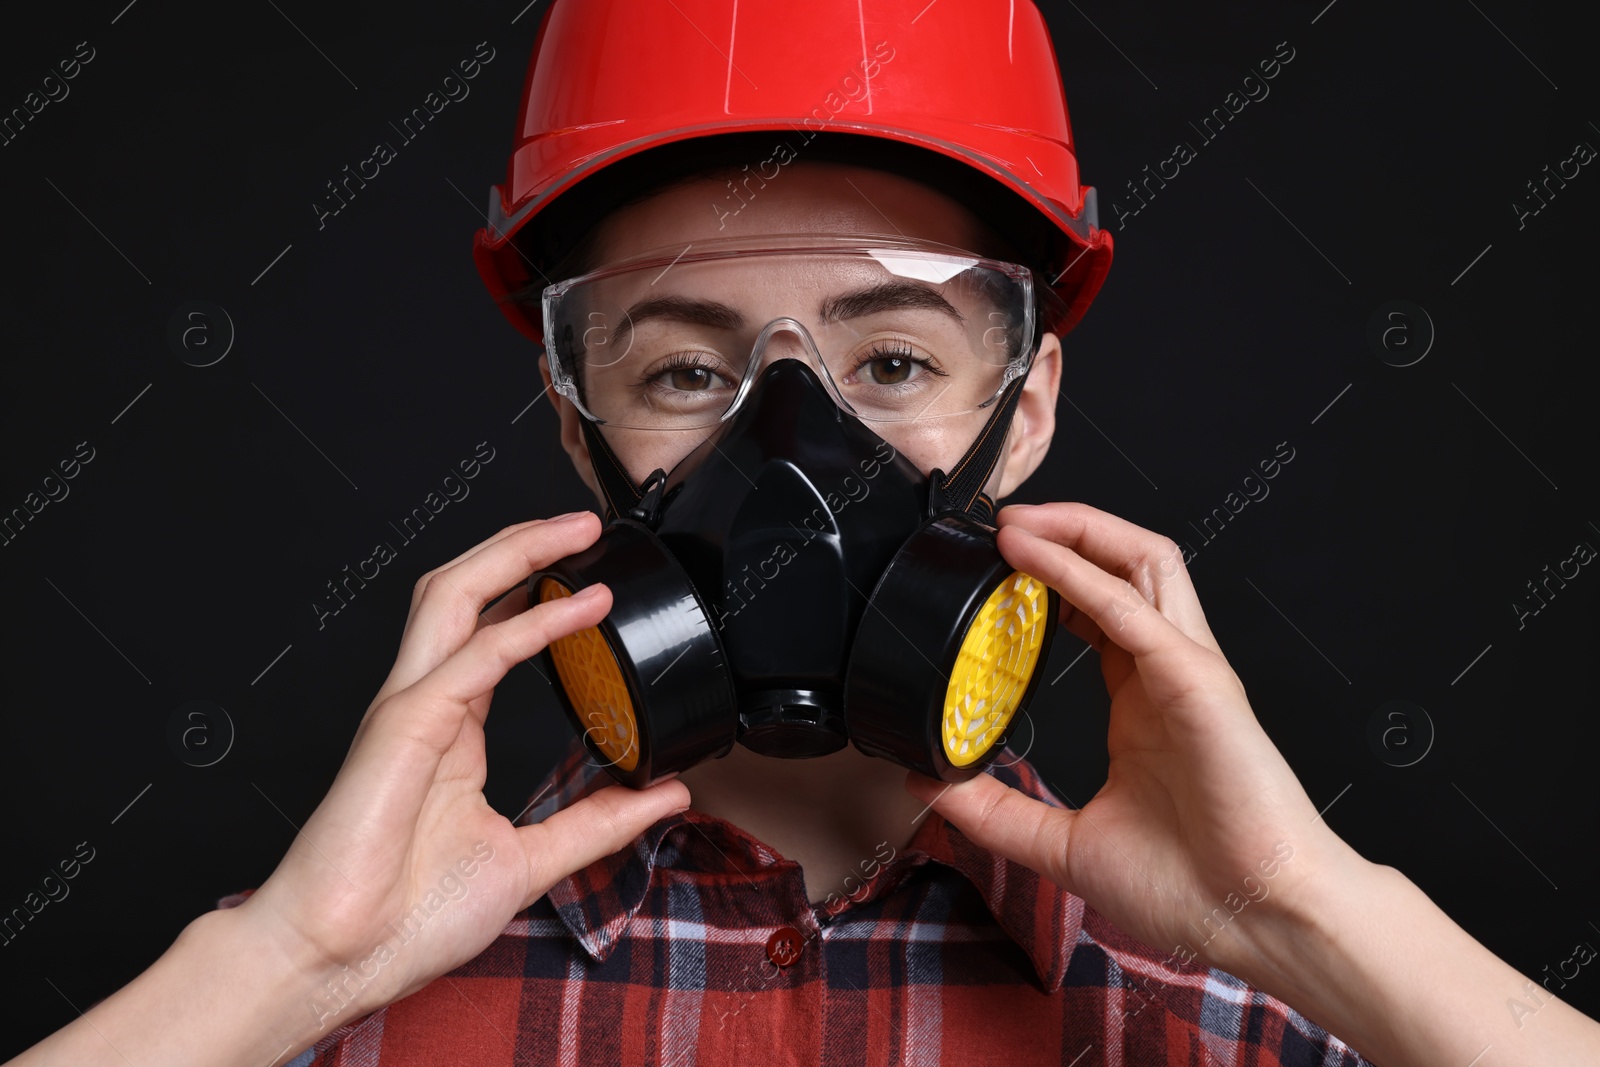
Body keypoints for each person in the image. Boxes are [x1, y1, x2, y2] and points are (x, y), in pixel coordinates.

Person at [10, 1, 1600, 1065]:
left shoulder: (1252, 999)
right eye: (688, 369)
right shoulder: (337, 997)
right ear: (577, 423)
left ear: (1027, 408)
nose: (791, 444)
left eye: (894, 361)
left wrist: (1305, 918)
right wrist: (288, 966)